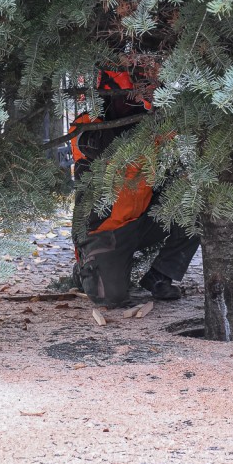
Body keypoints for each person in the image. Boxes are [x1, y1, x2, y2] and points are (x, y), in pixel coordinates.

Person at [70, 67, 200, 307]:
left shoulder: (152, 123)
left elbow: (183, 131)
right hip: (105, 229)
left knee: (197, 208)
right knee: (111, 298)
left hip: (141, 219)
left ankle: (159, 275)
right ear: (108, 96)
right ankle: (85, 267)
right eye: (127, 95)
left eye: (139, 95)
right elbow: (108, 146)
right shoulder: (86, 126)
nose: (134, 101)